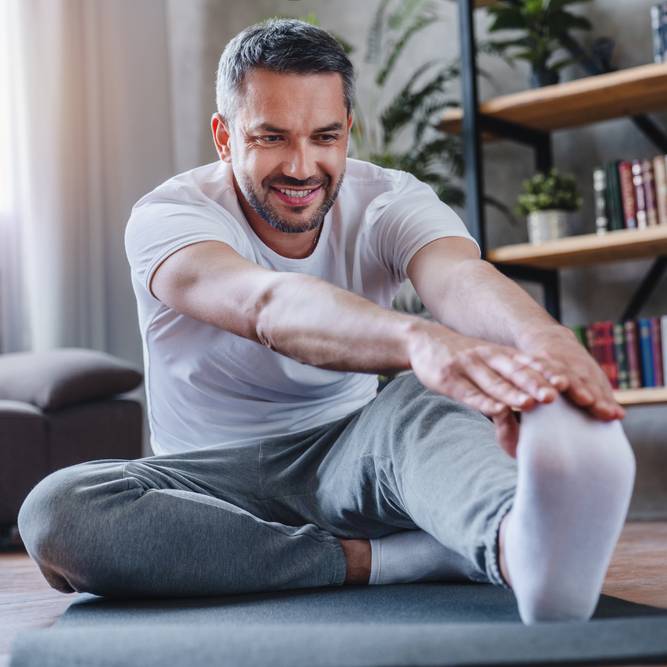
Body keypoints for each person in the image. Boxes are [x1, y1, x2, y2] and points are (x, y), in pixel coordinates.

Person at [17, 19, 635, 625]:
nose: (302, 166)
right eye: (271, 138)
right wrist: (418, 340)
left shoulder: (390, 200)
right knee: (58, 512)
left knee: (426, 397)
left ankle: (515, 541)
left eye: (324, 137)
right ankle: (397, 559)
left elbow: (457, 278)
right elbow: (268, 307)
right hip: (207, 485)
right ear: (224, 138)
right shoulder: (169, 216)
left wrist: (546, 341)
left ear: (347, 134)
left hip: (355, 458)